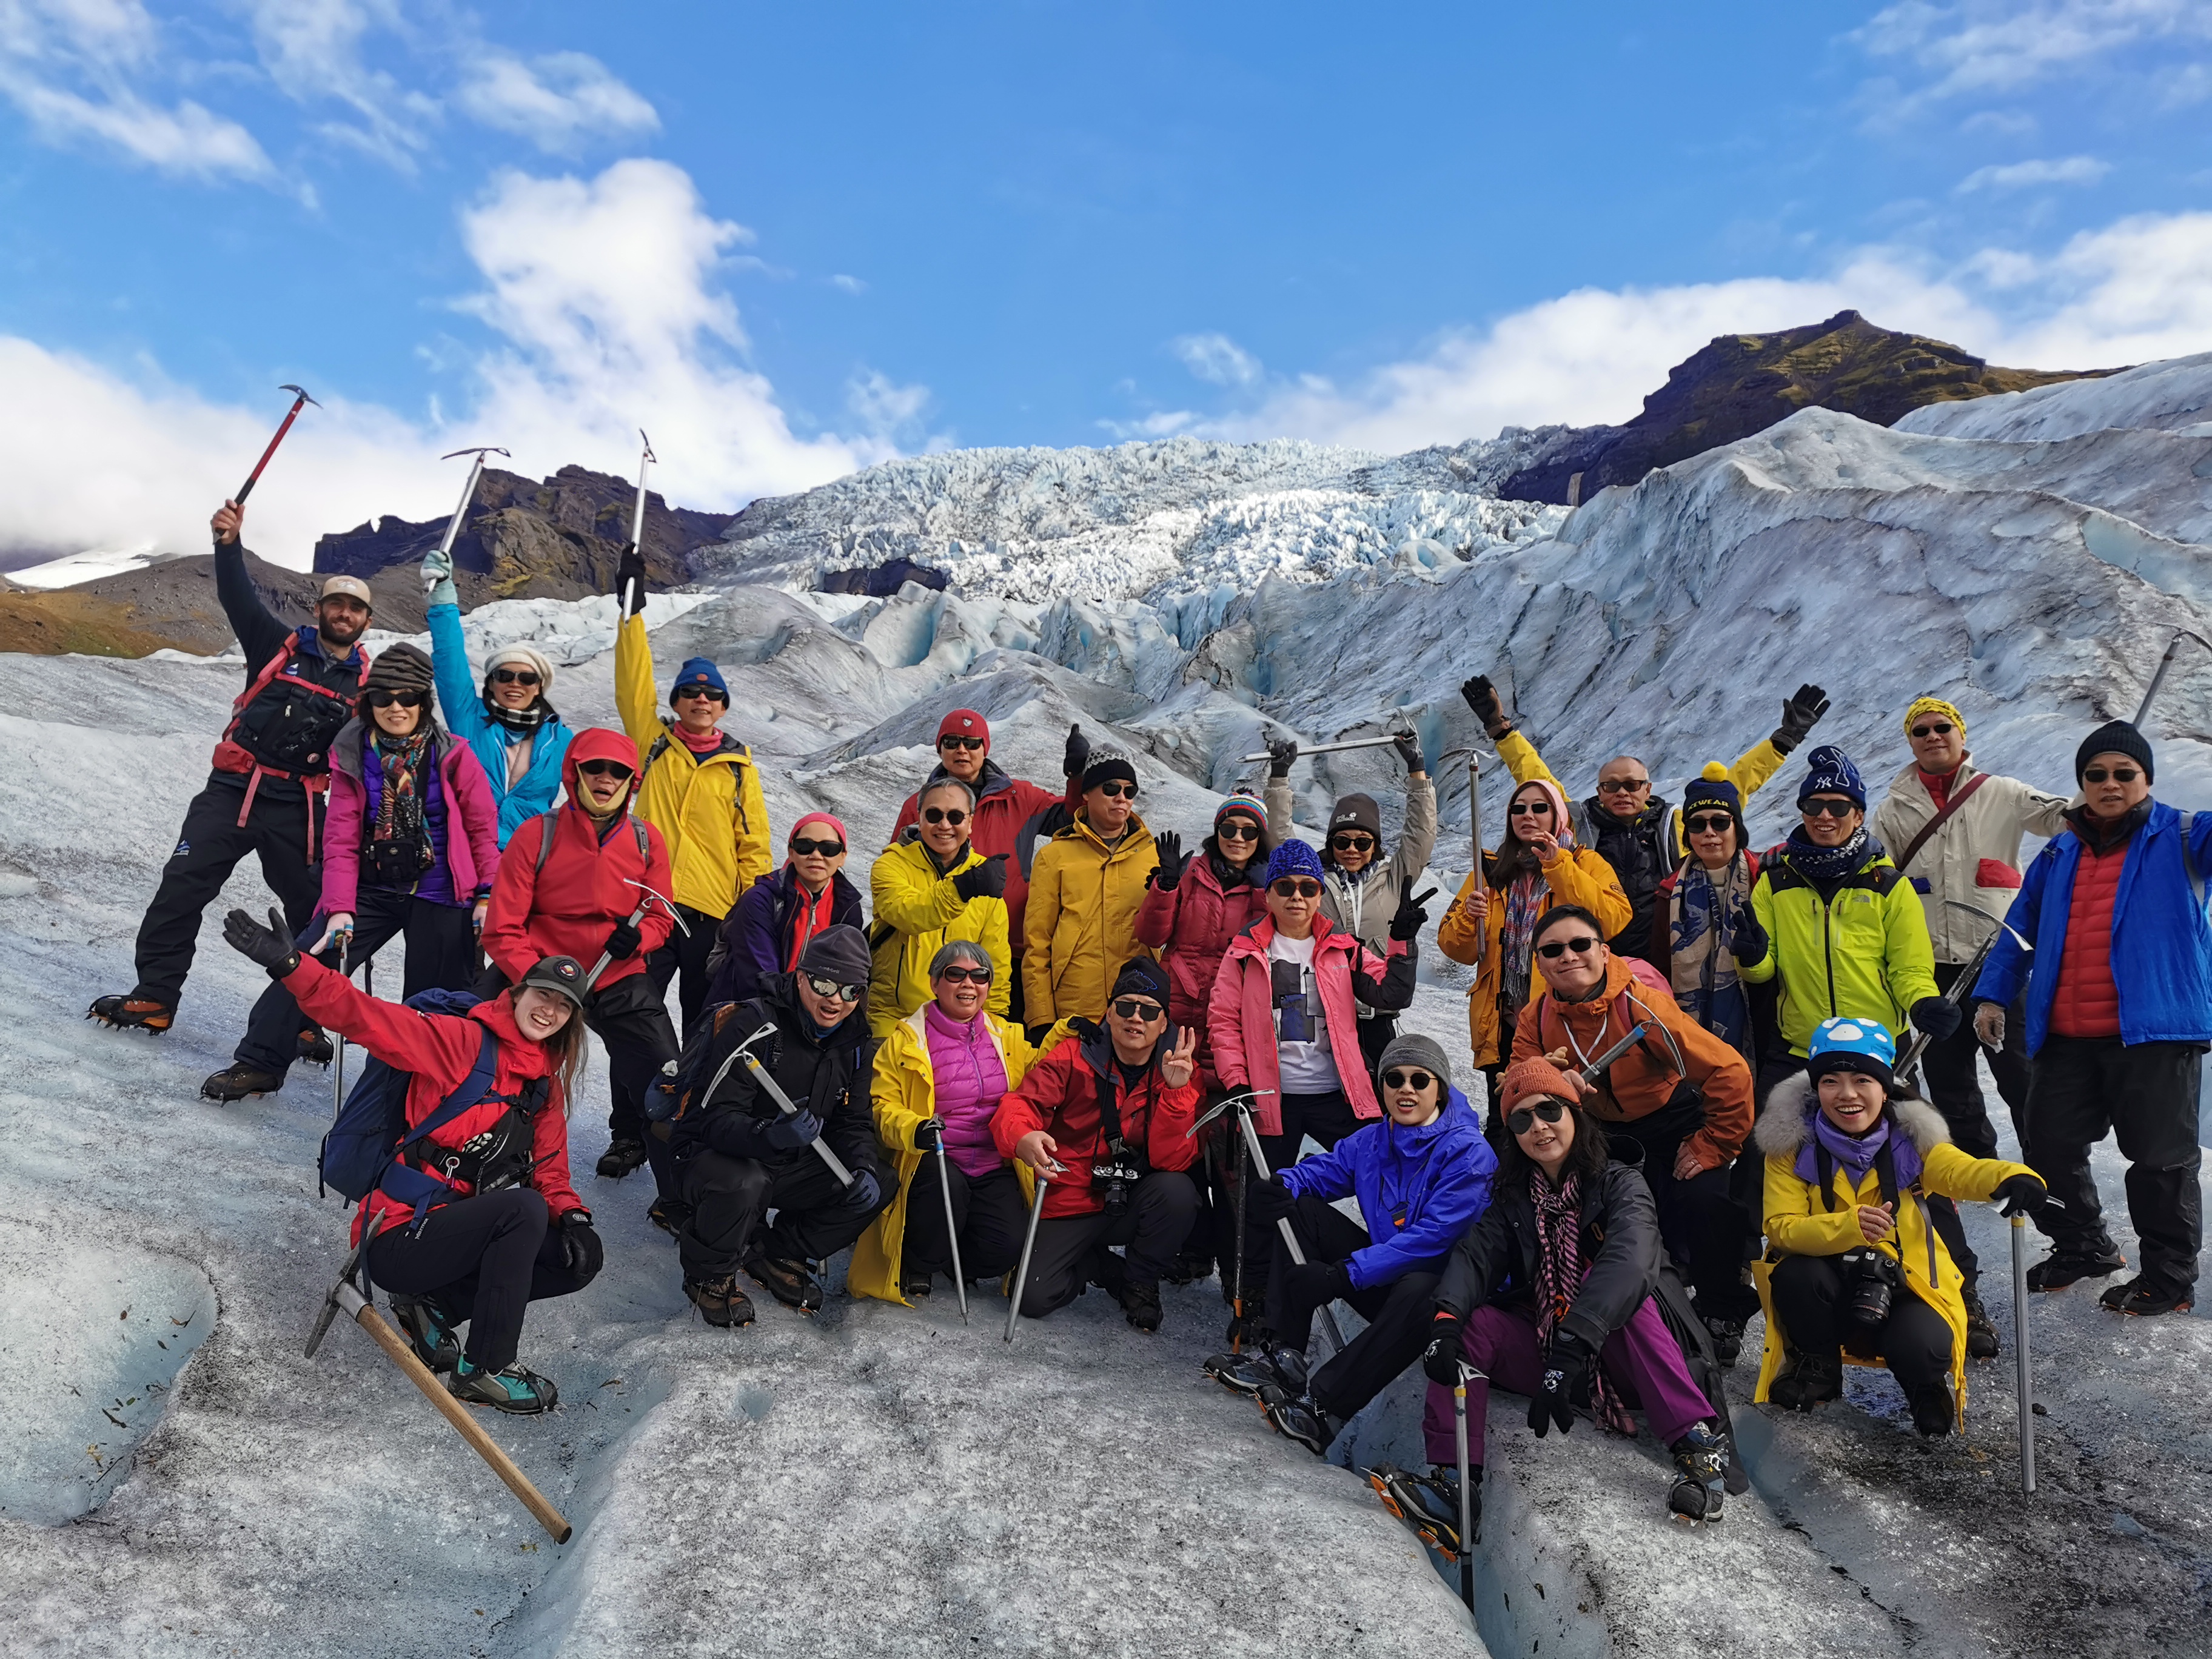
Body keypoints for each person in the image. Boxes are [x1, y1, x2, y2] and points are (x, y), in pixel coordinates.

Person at [220, 908, 602, 1413]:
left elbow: (551, 1169)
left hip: (451, 1236)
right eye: (542, 996)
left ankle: (432, 1308)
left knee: (576, 1257)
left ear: (572, 1020)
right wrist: (292, 967)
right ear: (517, 994)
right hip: (398, 1234)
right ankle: (484, 1369)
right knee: (523, 1210)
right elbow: (366, 1017)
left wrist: (573, 1215)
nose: (549, 1011)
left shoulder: (542, 1086)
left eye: (563, 1006)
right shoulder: (463, 1042)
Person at [1375, 1057, 1738, 1553]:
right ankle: (1456, 1486)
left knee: (1608, 1284)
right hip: (1558, 1364)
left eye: (1548, 1111)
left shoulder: (1621, 1183)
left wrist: (1574, 1341)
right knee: (1475, 1324)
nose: (1538, 1128)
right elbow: (1475, 1258)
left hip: (1635, 1363)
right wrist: (1445, 1321)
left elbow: (1629, 1264)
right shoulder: (1514, 1197)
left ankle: (1697, 1451)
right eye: (1521, 1119)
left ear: (1575, 1113)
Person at [90, 498, 371, 1035]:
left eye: (354, 608)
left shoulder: (370, 686)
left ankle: (306, 1018)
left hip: (301, 805)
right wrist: (228, 544)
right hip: (233, 789)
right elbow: (236, 596)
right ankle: (155, 996)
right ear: (321, 609)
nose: (343, 613)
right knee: (181, 887)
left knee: (314, 912)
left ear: (365, 621)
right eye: (336, 603)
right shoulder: (277, 646)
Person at [1973, 721, 2211, 1317]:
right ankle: (2083, 1245)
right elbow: (2017, 934)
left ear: (2146, 779)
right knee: (2049, 1142)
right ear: (2081, 783)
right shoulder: (2059, 851)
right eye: (2096, 774)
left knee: (2160, 1162)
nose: (2110, 784)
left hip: (2154, 1034)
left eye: (2124, 773)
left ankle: (2170, 1278)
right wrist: (1993, 995)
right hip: (2068, 1035)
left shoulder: (2185, 835)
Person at [204, 643, 501, 1101]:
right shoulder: (351, 752)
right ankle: (259, 1062)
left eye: (408, 697)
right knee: (303, 961)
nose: (396, 707)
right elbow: (341, 837)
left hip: (444, 894)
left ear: (424, 702)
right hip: (372, 887)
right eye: (384, 698)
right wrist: (340, 908)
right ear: (370, 702)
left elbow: (483, 831)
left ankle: (411, 1098)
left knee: (434, 1006)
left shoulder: (453, 755)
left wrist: (487, 895)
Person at [1869, 696, 2067, 1349]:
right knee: (1952, 1087)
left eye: (1940, 728)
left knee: (2024, 1080)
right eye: (1919, 730)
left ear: (1961, 734)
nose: (1931, 737)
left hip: (2000, 959)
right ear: (1911, 741)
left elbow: (2060, 819)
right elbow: (1882, 876)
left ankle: (2052, 1184)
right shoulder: (1896, 807)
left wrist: (2099, 813)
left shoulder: (2003, 793)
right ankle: (1980, 1174)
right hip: (1933, 972)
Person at [1206, 1035, 1497, 1460]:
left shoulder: (1469, 1154)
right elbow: (1329, 1169)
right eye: (1394, 1079)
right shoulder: (1376, 1139)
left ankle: (1326, 1409)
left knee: (1420, 1288)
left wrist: (1342, 1275)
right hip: (1386, 1280)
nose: (1406, 1089)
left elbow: (1435, 1240)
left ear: (1441, 1087)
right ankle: (1283, 1355)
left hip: (1438, 1302)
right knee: (1302, 1212)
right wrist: (1286, 1184)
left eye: (1420, 1079)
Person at [1754, 1018, 2045, 1433]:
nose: (1847, 1094)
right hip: (1829, 1282)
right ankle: (1817, 1366)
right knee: (1797, 1274)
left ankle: (1923, 1385)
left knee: (1924, 1348)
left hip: (1906, 1283)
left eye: (1861, 1080)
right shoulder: (1791, 1146)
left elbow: (1961, 1170)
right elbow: (1781, 1227)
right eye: (1831, 1081)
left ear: (1884, 1086)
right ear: (1816, 1089)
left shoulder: (1914, 1140)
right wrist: (1849, 1227)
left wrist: (2011, 1178)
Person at [1511, 905, 1759, 1364]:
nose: (1568, 956)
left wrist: (1715, 1143)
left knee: (1704, 1200)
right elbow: (1519, 1083)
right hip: (1596, 1127)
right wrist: (1552, 1084)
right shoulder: (1536, 1017)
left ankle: (1723, 1304)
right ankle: (1594, 1300)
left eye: (1580, 944)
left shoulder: (1643, 1005)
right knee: (1586, 1208)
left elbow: (1729, 1070)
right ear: (1540, 964)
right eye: (1553, 950)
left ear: (1604, 953)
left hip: (1670, 1118)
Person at [1461, 674, 1829, 965]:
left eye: (1632, 785)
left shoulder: (1677, 824)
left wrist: (1784, 740)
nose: (1622, 792)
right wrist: (1501, 730)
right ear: (1600, 790)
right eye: (1611, 786)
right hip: (1591, 952)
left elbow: (1737, 785)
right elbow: (1535, 776)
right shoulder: (1579, 822)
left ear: (1647, 788)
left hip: (1665, 951)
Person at [1208, 839, 1425, 1332]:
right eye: (1285, 887)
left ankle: (1403, 1273)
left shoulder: (1343, 949)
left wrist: (1401, 942)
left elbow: (1394, 993)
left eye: (1308, 887)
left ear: (1318, 892)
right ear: (1269, 894)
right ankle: (1255, 1301)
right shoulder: (1244, 953)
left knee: (1388, 1176)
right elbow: (1222, 1020)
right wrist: (1237, 1081)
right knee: (1260, 1203)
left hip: (1337, 1094)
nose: (1297, 897)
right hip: (1270, 1099)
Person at [659, 925, 892, 1326]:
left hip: (790, 1159)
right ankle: (709, 1276)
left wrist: (863, 1166)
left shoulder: (855, 1042)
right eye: (824, 983)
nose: (836, 1000)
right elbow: (713, 1121)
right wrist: (771, 1135)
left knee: (880, 1181)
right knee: (744, 1182)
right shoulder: (754, 1024)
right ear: (801, 976)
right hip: (715, 1155)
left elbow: (852, 1123)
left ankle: (778, 1251)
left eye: (851, 990)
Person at [478, 728, 678, 1184]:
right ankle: (474, 1156)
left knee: (667, 1078)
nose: (606, 778)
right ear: (575, 773)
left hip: (616, 975)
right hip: (536, 972)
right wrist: (538, 981)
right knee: (477, 1052)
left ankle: (681, 1198)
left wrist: (641, 938)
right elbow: (502, 929)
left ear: (632, 780)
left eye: (618, 771)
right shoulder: (536, 835)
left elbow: (660, 915)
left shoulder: (648, 841)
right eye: (595, 768)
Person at [850, 940, 1068, 1304]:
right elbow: (882, 1107)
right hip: (935, 1156)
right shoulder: (906, 1041)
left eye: (979, 976)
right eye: (956, 974)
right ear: (935, 983)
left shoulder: (1007, 1037)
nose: (969, 984)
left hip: (991, 1160)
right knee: (945, 1188)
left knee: (1006, 1246)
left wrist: (1064, 1032)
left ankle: (954, 1258)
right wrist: (915, 1128)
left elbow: (1039, 1073)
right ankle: (919, 1259)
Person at [994, 959, 1204, 1330]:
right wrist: (1022, 1136)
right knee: (1032, 1297)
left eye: (1148, 1010)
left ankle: (1139, 1281)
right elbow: (1020, 1104)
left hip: (1134, 1197)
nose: (1135, 1018)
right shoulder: (1072, 1055)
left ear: (1163, 1022)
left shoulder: (1179, 1070)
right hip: (1072, 1196)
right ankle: (1099, 1265)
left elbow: (1174, 1160)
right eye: (1126, 1006)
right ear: (1109, 1012)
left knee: (1178, 1192)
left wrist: (1176, 1094)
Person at [613, 556, 773, 1034]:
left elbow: (754, 847)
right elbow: (632, 689)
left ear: (723, 707)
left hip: (712, 917)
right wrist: (630, 615)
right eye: (690, 693)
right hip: (651, 905)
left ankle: (688, 1108)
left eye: (711, 696)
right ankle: (634, 1112)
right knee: (635, 1014)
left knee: (705, 1022)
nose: (701, 700)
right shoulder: (654, 744)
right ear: (676, 702)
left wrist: (748, 917)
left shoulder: (740, 770)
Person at [1735, 745, 1951, 1093]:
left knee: (1899, 1145)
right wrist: (1753, 958)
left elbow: (1909, 967)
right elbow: (1764, 970)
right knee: (1773, 1146)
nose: (1825, 816)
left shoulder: (1888, 885)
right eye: (1813, 806)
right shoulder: (1776, 882)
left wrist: (1922, 1001)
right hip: (1801, 1048)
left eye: (1838, 807)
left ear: (1859, 816)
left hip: (1878, 1047)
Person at [1133, 791, 1273, 1281]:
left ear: (1260, 838)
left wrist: (1265, 895)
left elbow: (1272, 945)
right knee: (1178, 1127)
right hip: (1177, 1016)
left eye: (1248, 831)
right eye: (1229, 829)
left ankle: (1236, 1259)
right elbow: (1152, 934)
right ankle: (1190, 1248)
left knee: (1230, 1140)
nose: (1237, 839)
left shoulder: (1268, 885)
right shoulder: (1190, 873)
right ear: (1216, 831)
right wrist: (1166, 886)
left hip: (1234, 1018)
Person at [1435, 777, 1632, 1116]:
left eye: (1540, 808)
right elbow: (1456, 950)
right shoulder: (1489, 872)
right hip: (1503, 1023)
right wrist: (1468, 917)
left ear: (1558, 815)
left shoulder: (1586, 864)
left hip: (1566, 1019)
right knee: (1508, 1120)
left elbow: (1613, 919)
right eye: (1518, 809)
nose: (1528, 815)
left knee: (1566, 1117)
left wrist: (1558, 865)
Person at [890, 709, 1086, 1023]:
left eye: (971, 742)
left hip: (1011, 946)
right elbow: (897, 871)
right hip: (937, 949)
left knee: (1003, 1037)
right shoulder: (920, 807)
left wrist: (1077, 778)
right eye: (952, 741)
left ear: (986, 748)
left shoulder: (1020, 797)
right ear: (940, 748)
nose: (962, 750)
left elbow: (1072, 818)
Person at [1262, 730, 1438, 1071]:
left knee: (1379, 1097)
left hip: (1376, 1012)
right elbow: (1281, 838)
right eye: (1342, 842)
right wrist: (1279, 779)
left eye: (1362, 841)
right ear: (1331, 843)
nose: (1352, 850)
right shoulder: (1313, 881)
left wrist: (1417, 772)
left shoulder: (1394, 876)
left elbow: (1421, 834)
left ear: (1375, 844)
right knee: (1318, 1095)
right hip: (1321, 1008)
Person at [419, 546, 574, 845]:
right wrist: (442, 599)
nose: (515, 684)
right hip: (466, 847)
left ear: (539, 687)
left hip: (526, 855)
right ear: (490, 683)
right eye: (504, 675)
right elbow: (449, 661)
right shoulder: (469, 717)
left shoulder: (561, 740)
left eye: (527, 678)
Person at [1022, 751, 1160, 1029]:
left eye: (1129, 790)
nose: (1122, 798)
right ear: (1086, 794)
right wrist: (1040, 1017)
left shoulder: (1153, 856)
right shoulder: (1054, 856)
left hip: (1137, 1004)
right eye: (1111, 789)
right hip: (1075, 1004)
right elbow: (1037, 943)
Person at [868, 778, 1013, 1038]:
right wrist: (962, 889)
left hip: (962, 1030)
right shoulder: (891, 866)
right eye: (934, 815)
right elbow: (907, 914)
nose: (945, 825)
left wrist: (994, 1026)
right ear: (920, 818)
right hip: (895, 1023)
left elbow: (996, 965)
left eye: (956, 816)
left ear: (970, 823)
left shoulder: (984, 876)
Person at [1649, 764, 1771, 1065]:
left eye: (1720, 822)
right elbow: (1661, 967)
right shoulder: (1668, 894)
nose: (1709, 833)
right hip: (1691, 1030)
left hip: (1764, 1017)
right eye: (1697, 825)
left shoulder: (1767, 881)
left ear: (1737, 828)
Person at [705, 812, 864, 1007]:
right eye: (804, 847)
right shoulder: (760, 899)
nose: (816, 855)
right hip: (748, 1010)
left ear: (842, 857)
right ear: (791, 852)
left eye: (828, 849)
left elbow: (843, 974)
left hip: (813, 1015)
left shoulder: (849, 908)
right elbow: (760, 975)